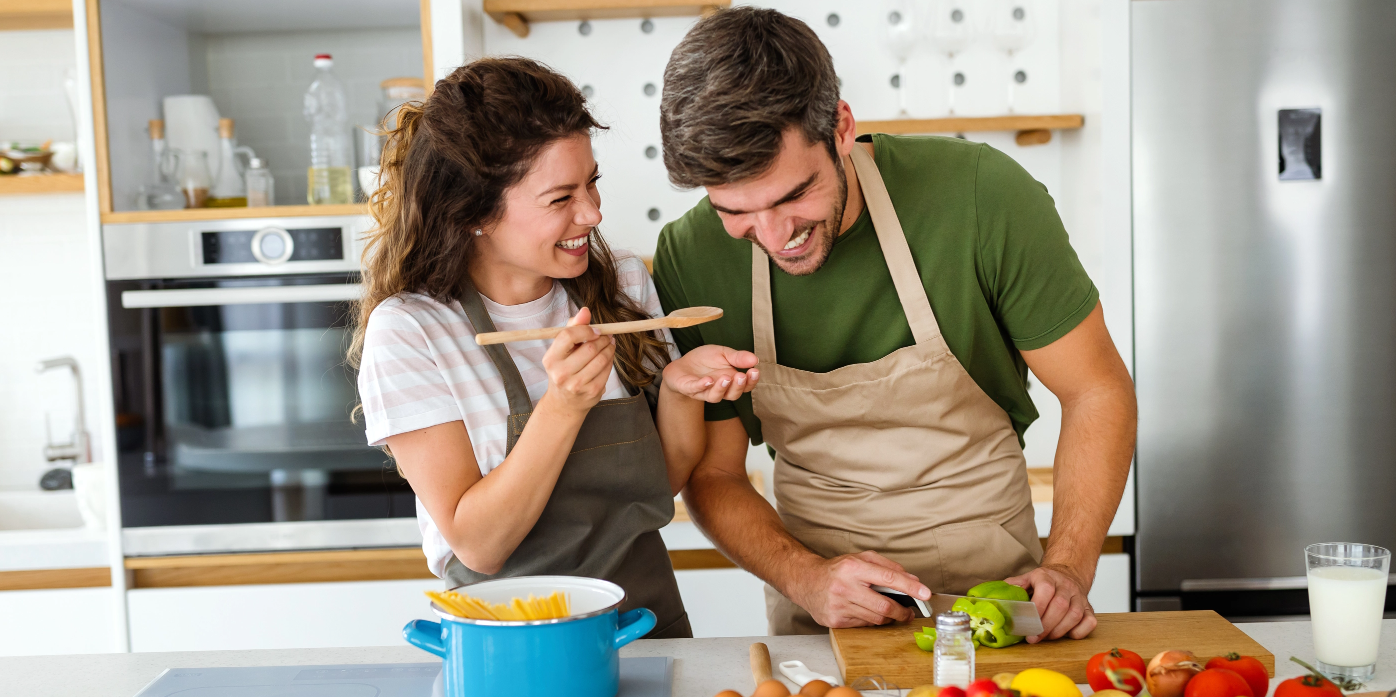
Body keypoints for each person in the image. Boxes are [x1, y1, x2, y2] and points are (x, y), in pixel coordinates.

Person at [651, 8, 1138, 639]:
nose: (774, 236)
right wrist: (806, 579)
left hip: (1004, 599)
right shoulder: (691, 257)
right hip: (822, 618)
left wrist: (1068, 569)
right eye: (735, 212)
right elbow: (713, 475)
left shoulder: (981, 196)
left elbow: (1096, 389)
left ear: (842, 128)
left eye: (793, 195)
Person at [351, 57, 759, 639]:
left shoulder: (621, 283)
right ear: (473, 212)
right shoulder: (413, 331)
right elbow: (480, 544)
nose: (592, 214)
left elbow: (661, 480)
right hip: (516, 643)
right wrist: (563, 407)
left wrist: (678, 389)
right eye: (560, 197)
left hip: (646, 620)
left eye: (591, 182)